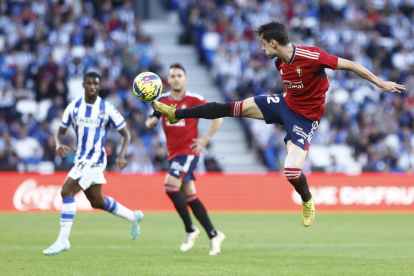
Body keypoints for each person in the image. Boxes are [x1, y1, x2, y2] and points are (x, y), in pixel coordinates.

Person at [151, 21, 406, 227]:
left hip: (305, 118)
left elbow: (349, 65)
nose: (262, 49)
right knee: (232, 108)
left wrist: (380, 82)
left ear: (273, 42)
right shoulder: (279, 62)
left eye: (263, 44)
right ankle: (177, 114)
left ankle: (307, 198)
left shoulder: (311, 56)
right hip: (283, 103)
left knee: (291, 171)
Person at [43, 72, 144, 255]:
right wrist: (58, 144)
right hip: (81, 158)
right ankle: (132, 216)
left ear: (99, 86)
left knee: (66, 190)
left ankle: (63, 240)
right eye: (88, 83)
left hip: (95, 159)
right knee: (97, 201)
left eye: (95, 84)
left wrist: (121, 155)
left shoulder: (107, 108)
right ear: (83, 85)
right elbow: (60, 131)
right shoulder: (73, 107)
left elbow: (126, 133)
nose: (92, 86)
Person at [145, 63, 225, 255]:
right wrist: (151, 121)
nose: (176, 79)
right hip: (173, 154)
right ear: (168, 80)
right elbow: (150, 122)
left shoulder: (194, 99)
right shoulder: (162, 100)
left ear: (185, 79)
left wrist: (205, 139)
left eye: (179, 75)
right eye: (172, 76)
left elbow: (218, 116)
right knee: (190, 195)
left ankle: (190, 229)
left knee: (170, 186)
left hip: (189, 152)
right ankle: (214, 234)